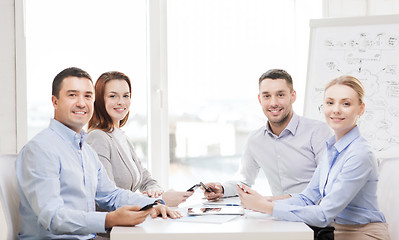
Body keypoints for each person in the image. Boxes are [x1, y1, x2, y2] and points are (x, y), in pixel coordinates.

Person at [16, 67, 181, 240]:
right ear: (55, 101)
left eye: (87, 96)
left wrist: (152, 204)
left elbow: (111, 194)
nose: (81, 103)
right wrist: (108, 219)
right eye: (72, 95)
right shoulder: (40, 149)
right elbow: (52, 217)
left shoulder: (85, 150)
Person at [237, 75, 390, 240]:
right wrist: (265, 202)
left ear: (361, 109)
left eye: (346, 104)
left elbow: (324, 214)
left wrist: (267, 207)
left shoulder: (360, 154)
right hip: (334, 231)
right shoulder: (332, 149)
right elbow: (308, 197)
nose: (336, 110)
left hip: (363, 234)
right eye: (330, 103)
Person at [205, 69, 332, 200]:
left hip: (313, 216)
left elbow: (327, 185)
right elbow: (243, 181)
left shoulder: (318, 132)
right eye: (267, 96)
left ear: (292, 96)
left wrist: (270, 201)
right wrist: (222, 188)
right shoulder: (255, 139)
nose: (273, 103)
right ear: (260, 99)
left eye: (280, 95)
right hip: (276, 214)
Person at [86, 71, 193, 207]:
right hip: (113, 226)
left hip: (129, 220)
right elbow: (108, 197)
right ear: (100, 100)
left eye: (126, 96)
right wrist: (158, 201)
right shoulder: (98, 138)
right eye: (113, 96)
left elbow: (145, 178)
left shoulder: (120, 136)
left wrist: (153, 190)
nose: (121, 102)